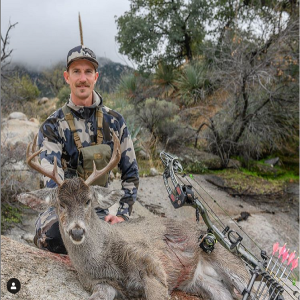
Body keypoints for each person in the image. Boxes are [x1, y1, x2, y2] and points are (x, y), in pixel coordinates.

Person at [34, 45, 139, 254]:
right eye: (76, 72)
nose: (82, 78)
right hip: (62, 212)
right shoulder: (52, 126)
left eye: (88, 71)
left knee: (121, 247)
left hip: (95, 211)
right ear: (67, 77)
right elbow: (51, 182)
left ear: (96, 77)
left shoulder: (115, 121)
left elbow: (131, 174)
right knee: (53, 237)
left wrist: (122, 215)